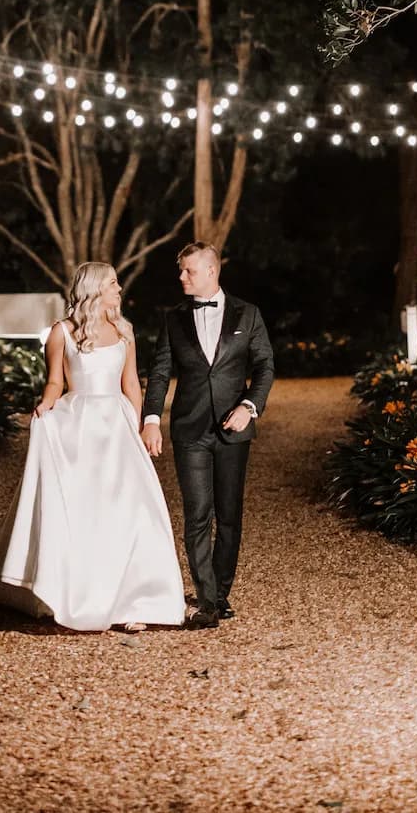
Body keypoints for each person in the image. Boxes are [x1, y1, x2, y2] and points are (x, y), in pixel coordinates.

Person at [0, 263, 185, 633]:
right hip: (80, 427)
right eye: (113, 284)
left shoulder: (124, 331)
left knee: (131, 512)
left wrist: (138, 428)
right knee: (84, 512)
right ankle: (78, 593)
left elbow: (131, 384)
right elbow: (56, 382)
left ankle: (135, 600)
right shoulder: (61, 333)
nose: (119, 289)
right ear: (95, 289)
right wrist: (44, 406)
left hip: (117, 428)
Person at [142, 242, 274, 629]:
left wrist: (249, 407)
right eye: (181, 271)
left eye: (188, 271)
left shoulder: (248, 314)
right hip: (190, 429)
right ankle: (207, 601)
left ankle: (220, 593)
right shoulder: (173, 319)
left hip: (234, 430)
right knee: (198, 514)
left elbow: (265, 365)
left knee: (229, 515)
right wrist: (152, 418)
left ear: (212, 271)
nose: (182, 277)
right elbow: (160, 371)